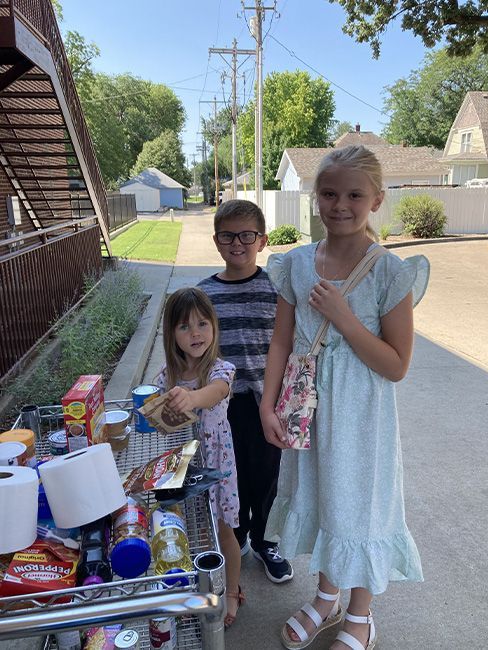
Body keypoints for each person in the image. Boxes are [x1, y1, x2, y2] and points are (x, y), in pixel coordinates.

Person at [259, 145, 430, 650]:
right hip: (308, 412)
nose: (340, 204)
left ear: (376, 199)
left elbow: (396, 365)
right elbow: (281, 342)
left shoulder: (390, 274)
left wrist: (345, 318)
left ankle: (360, 613)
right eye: (329, 193)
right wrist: (269, 405)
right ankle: (326, 595)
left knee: (359, 506)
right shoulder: (294, 264)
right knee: (321, 498)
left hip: (362, 418)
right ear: (315, 198)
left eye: (354, 194)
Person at [198, 199, 293, 584]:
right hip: (221, 405)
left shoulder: (278, 289)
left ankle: (264, 539)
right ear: (217, 241)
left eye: (246, 235)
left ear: (262, 240)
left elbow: (289, 341)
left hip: (267, 401)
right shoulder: (203, 293)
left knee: (266, 475)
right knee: (228, 475)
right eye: (228, 235)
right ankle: (234, 536)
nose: (237, 243)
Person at [156, 287, 243, 628]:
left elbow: (215, 393)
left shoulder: (221, 370)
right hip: (183, 466)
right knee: (192, 531)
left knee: (224, 531)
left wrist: (190, 398)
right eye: (184, 327)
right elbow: (164, 425)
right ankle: (198, 587)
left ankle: (233, 589)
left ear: (214, 327)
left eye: (202, 324)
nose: (195, 333)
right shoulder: (166, 378)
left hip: (216, 466)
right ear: (171, 333)